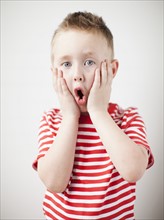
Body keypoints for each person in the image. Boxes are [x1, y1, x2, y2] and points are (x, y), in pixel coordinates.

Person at [32, 11, 154, 220]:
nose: (77, 74)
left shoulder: (127, 118)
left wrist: (98, 111)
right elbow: (54, 182)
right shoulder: (51, 121)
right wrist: (70, 117)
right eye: (66, 64)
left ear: (112, 69)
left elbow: (134, 171)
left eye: (89, 62)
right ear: (55, 74)